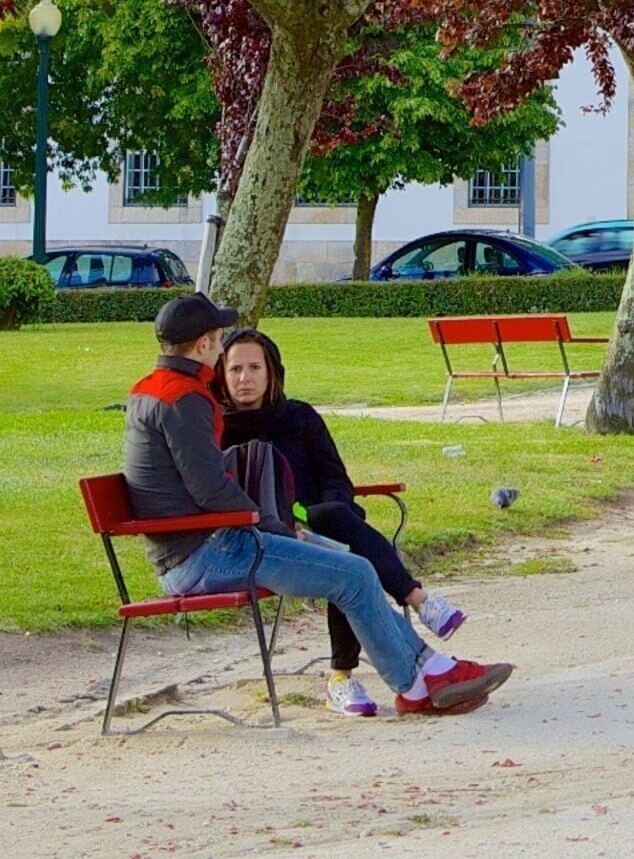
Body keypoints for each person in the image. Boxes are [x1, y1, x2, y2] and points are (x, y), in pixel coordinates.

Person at [124, 294, 509, 718]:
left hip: (198, 548)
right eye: (217, 341)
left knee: (351, 563)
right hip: (207, 554)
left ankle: (430, 672)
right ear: (203, 345)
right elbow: (210, 489)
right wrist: (274, 527)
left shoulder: (150, 390)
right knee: (354, 574)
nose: (220, 351)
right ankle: (417, 684)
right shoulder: (185, 398)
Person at [217, 327, 466, 718]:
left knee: (338, 533)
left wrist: (332, 509)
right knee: (345, 550)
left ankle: (341, 679)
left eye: (254, 368)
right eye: (235, 369)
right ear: (221, 374)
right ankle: (419, 601)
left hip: (322, 522)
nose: (244, 378)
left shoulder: (300, 416)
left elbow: (335, 477)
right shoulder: (215, 428)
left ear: (272, 372)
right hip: (269, 538)